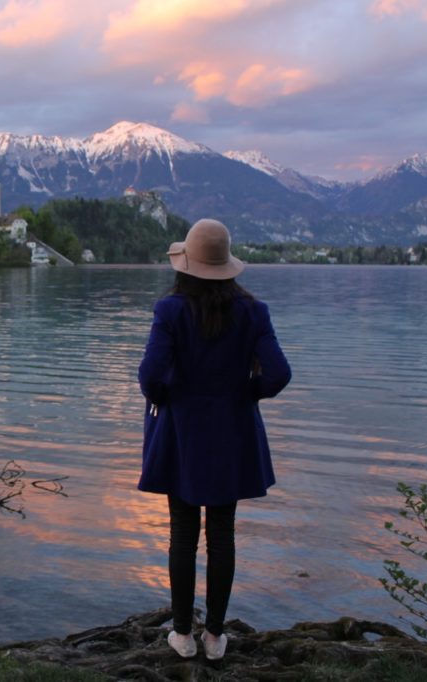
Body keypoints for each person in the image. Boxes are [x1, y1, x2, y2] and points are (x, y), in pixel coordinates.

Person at [137, 218, 291, 661]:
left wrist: (166, 395)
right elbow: (278, 374)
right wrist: (246, 393)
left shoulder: (170, 310)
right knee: (222, 536)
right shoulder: (253, 311)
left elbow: (149, 376)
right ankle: (216, 637)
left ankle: (182, 635)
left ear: (185, 265)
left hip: (182, 435)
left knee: (183, 534)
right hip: (232, 434)